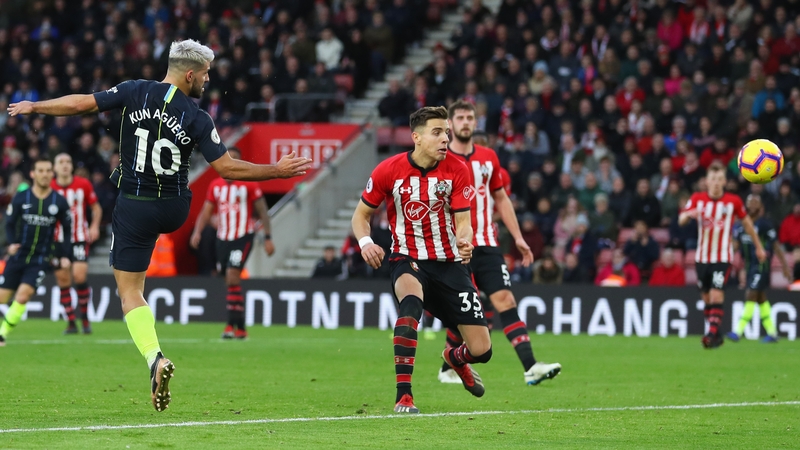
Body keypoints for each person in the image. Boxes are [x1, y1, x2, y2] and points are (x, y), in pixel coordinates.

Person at [8, 39, 312, 412]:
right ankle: (156, 363)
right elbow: (227, 168)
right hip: (173, 207)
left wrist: (35, 105)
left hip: (134, 205)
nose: (207, 81)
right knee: (172, 191)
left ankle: (155, 358)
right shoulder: (198, 117)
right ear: (189, 74)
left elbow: (79, 104)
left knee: (130, 292)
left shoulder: (134, 91)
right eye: (204, 75)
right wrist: (275, 171)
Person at [351, 106, 492, 414]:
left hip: (450, 264)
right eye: (437, 132)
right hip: (407, 259)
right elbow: (361, 215)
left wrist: (465, 240)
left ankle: (454, 359)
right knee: (410, 306)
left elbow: (464, 221)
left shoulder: (457, 169)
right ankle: (404, 396)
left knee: (482, 350)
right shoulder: (388, 170)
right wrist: (365, 242)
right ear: (416, 137)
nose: (445, 139)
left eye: (447, 133)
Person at [443, 100, 560, 386]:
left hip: (487, 242)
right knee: (466, 308)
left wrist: (518, 237)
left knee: (505, 300)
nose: (466, 122)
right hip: (455, 246)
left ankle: (531, 367)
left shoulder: (488, 157)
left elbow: (501, 199)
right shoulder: (441, 158)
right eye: (460, 118)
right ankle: (447, 366)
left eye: (470, 117)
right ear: (450, 124)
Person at [190, 147, 275, 340]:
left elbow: (263, 211)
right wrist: (198, 231)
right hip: (223, 238)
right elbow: (207, 210)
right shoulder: (215, 185)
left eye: (235, 159)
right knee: (229, 280)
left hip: (242, 236)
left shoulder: (249, 185)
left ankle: (230, 325)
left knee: (232, 275)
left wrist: (268, 237)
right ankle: (241, 328)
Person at [678, 163, 766, 349]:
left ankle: (710, 334)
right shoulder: (697, 198)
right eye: (713, 179)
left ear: (725, 181)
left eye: (720, 179)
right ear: (706, 182)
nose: (716, 183)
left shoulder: (733, 201)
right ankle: (716, 335)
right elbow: (681, 219)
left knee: (716, 295)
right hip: (702, 258)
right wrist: (689, 215)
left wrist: (759, 247)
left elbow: (748, 224)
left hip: (723, 256)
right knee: (707, 299)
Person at [0, 158, 71, 346]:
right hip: (18, 256)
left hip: (40, 259)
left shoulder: (59, 201)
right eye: (41, 170)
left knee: (23, 296)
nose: (45, 174)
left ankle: (2, 334)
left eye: (48, 170)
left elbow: (67, 229)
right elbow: (9, 222)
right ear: (33, 174)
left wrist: (65, 255)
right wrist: (11, 244)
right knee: (2, 298)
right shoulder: (21, 198)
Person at [727, 195, 792, 343]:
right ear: (747, 205)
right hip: (748, 267)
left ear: (761, 206)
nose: (753, 204)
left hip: (762, 266)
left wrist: (785, 266)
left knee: (751, 294)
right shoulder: (740, 225)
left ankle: (738, 331)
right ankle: (773, 333)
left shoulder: (764, 225)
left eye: (756, 202)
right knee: (761, 299)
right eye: (750, 202)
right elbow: (735, 246)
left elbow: (775, 246)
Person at [51, 153, 102, 335]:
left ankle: (86, 320)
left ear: (71, 166)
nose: (65, 165)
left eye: (67, 162)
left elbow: (96, 208)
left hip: (79, 237)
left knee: (79, 276)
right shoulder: (49, 186)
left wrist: (94, 226)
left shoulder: (83, 184)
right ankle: (71, 323)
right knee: (63, 280)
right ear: (55, 168)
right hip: (57, 240)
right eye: (61, 162)